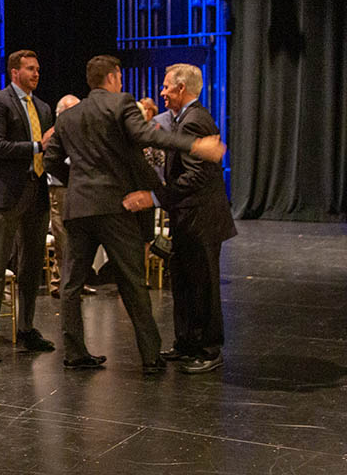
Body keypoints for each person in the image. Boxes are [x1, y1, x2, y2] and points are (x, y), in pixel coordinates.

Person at [43, 55, 225, 372]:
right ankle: (150, 357)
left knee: (71, 286)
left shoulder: (68, 116)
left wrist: (78, 184)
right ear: (113, 77)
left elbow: (51, 161)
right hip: (116, 206)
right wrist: (195, 146)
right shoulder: (120, 103)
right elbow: (147, 136)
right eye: (121, 78)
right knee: (132, 281)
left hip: (78, 207)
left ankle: (75, 353)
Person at [0, 50, 55, 363]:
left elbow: (48, 149)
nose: (36, 74)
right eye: (30, 69)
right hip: (7, 194)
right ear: (14, 71)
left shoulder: (43, 108)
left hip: (36, 192)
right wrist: (38, 146)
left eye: (37, 69)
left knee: (31, 267)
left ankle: (26, 327)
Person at [153, 64, 237, 374]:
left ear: (181, 89)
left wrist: (155, 196)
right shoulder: (186, 119)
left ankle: (209, 348)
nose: (162, 93)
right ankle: (186, 342)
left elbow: (198, 175)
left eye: (165, 87)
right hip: (188, 218)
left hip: (200, 219)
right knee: (185, 282)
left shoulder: (193, 122)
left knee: (202, 285)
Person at [47, 94, 81, 297]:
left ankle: (73, 280)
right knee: (62, 238)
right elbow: (52, 163)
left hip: (77, 188)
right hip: (60, 189)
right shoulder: (54, 134)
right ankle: (60, 283)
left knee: (76, 238)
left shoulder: (79, 132)